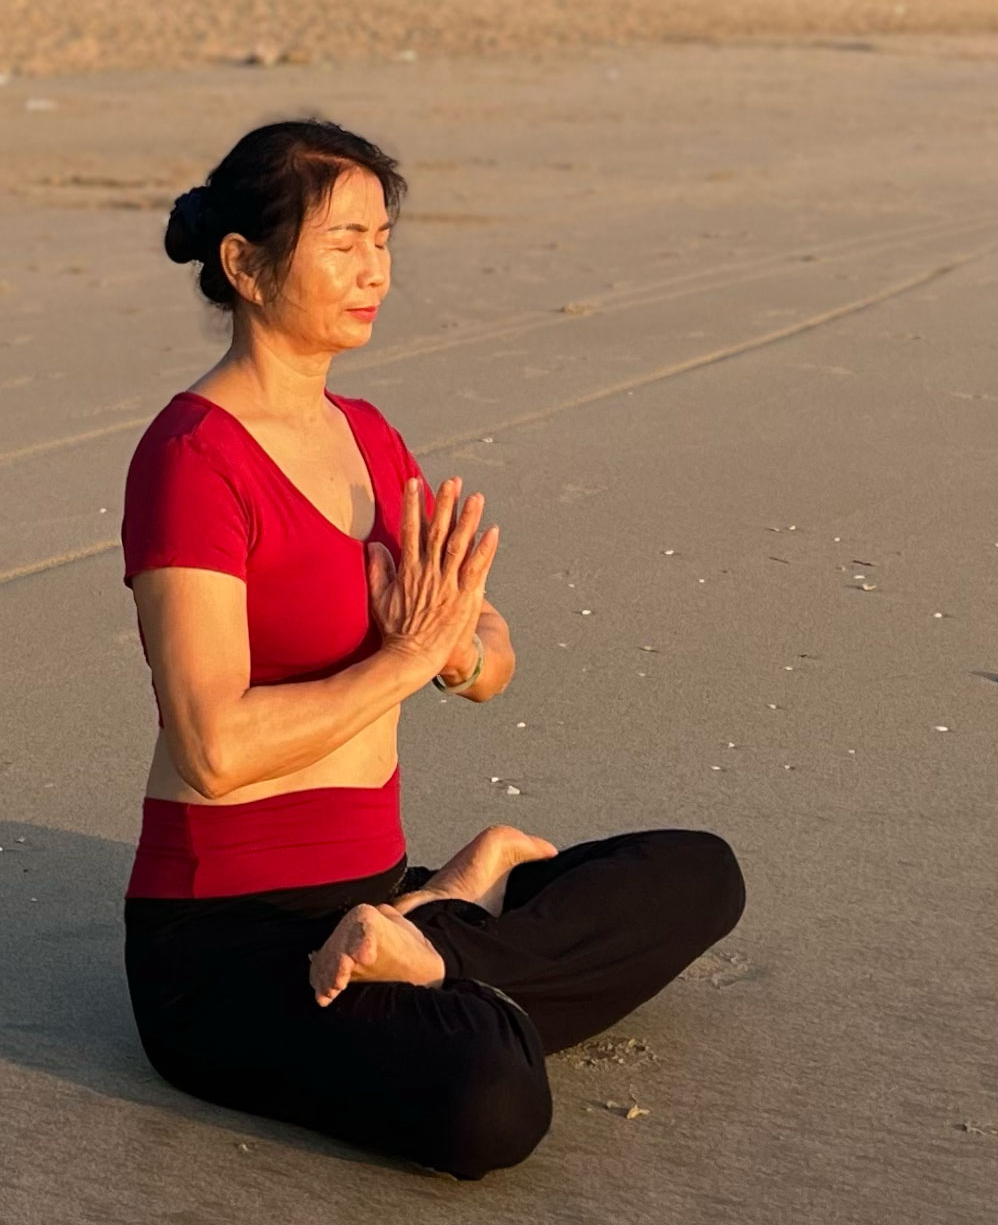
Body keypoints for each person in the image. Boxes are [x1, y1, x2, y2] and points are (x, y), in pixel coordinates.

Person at [120, 117, 746, 1181]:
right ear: (245, 265)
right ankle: (452, 937)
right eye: (345, 241)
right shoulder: (191, 462)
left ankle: (434, 936)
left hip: (370, 890)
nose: (376, 271)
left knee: (701, 874)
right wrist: (408, 660)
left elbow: (486, 643)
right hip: (227, 947)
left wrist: (458, 655)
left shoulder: (369, 437)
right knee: (491, 1098)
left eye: (385, 239)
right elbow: (213, 744)